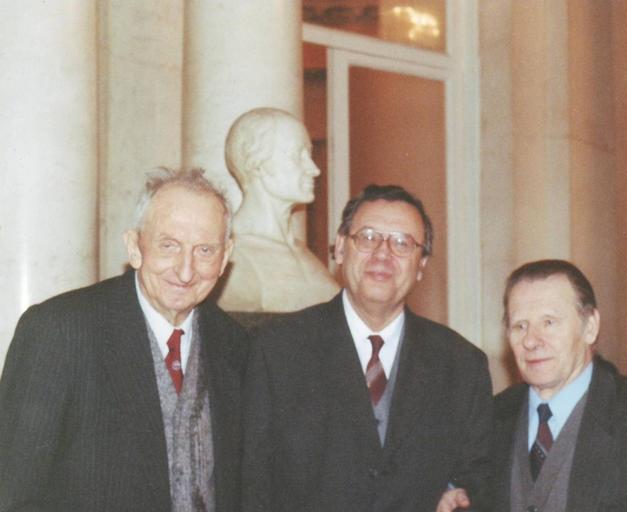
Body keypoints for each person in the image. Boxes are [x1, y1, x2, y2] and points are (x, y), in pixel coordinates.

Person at [0, 168, 249, 512]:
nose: (186, 271)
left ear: (225, 257)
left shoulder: (238, 346)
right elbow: (12, 494)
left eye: (205, 250)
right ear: (134, 247)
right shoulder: (60, 331)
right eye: (169, 246)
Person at [242, 184, 493, 512]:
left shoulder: (461, 365)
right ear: (340, 248)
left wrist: (456, 494)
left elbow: (477, 479)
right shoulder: (277, 350)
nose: (383, 254)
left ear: (421, 265)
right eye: (368, 237)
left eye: (402, 243)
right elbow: (252, 483)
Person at [441, 259, 627, 512]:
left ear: (590, 327)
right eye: (520, 326)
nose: (531, 341)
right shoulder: (489, 418)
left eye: (549, 322)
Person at [221, 106, 339, 312]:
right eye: (297, 155)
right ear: (256, 164)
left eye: (309, 154)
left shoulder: (306, 256)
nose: (314, 169)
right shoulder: (232, 257)